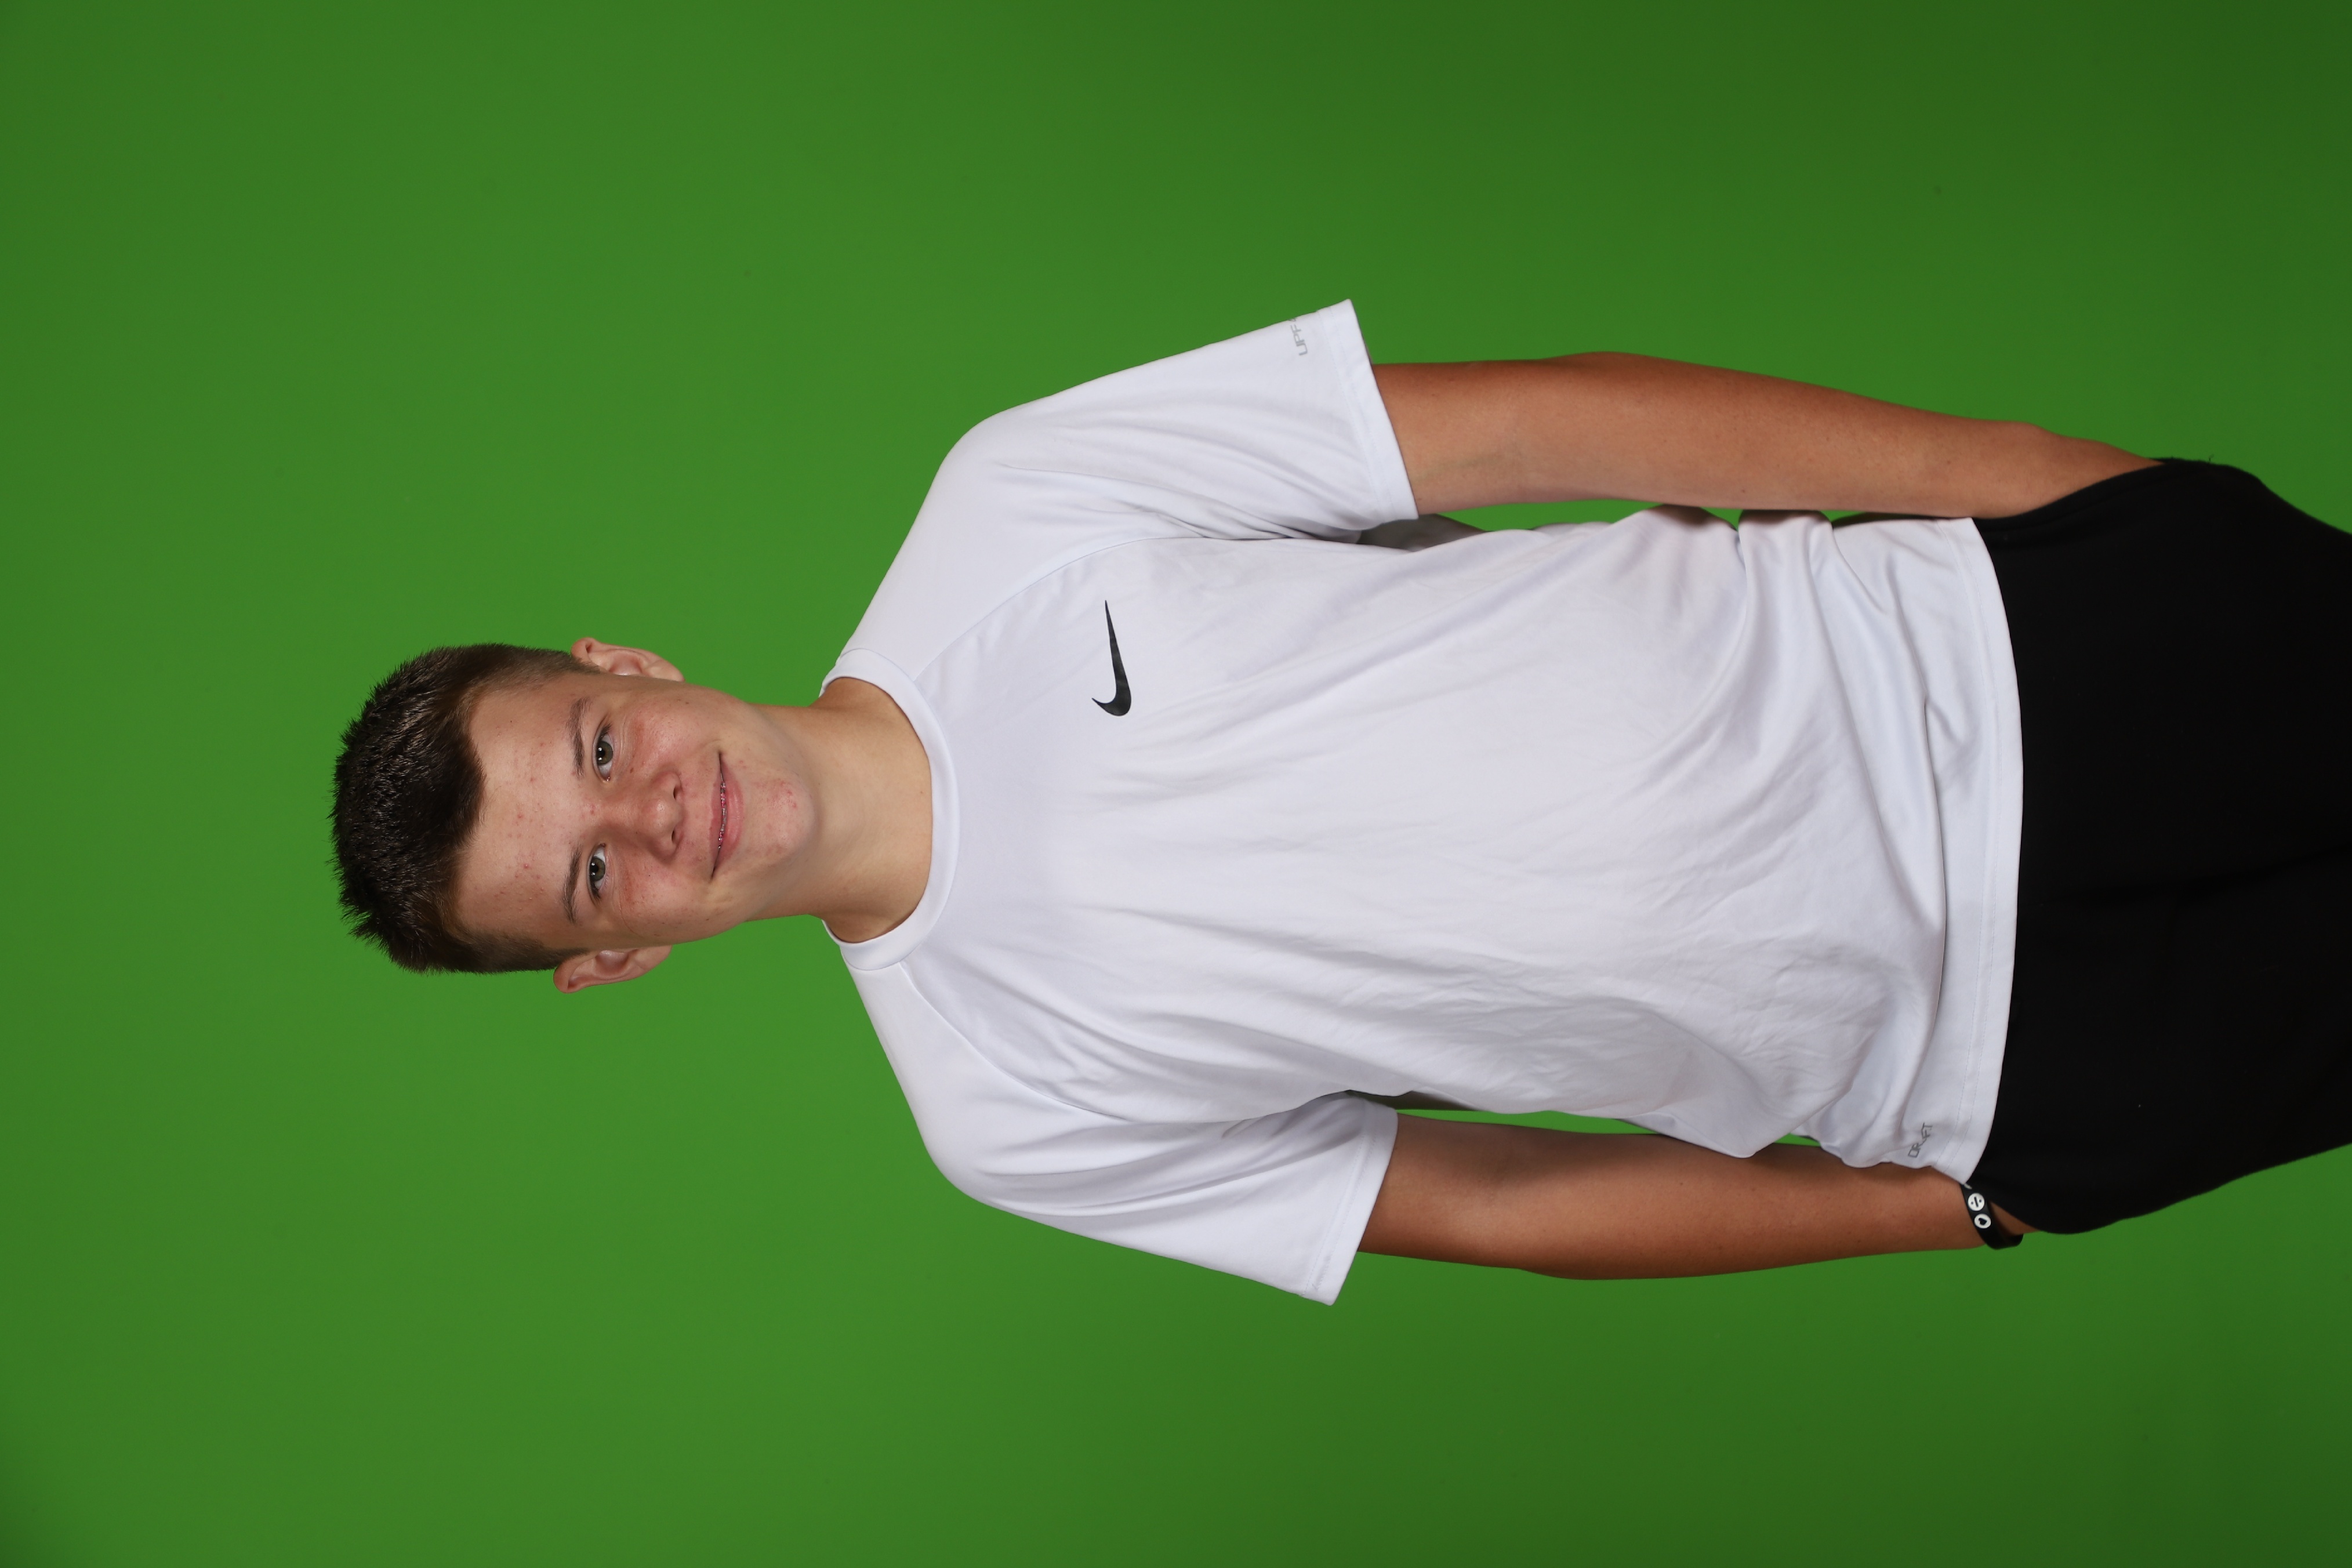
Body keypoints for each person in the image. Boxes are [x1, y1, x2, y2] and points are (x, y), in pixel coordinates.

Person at [331, 303, 2352, 1302]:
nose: (654, 820)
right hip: (2011, 1060)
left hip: (2009, 657)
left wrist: (2038, 489)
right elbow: (1496, 1203)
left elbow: (1550, 422)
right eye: (592, 879)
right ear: (611, 961)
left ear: (623, 671)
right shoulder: (998, 1112)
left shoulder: (1009, 502)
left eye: (598, 756)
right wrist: (1948, 1203)